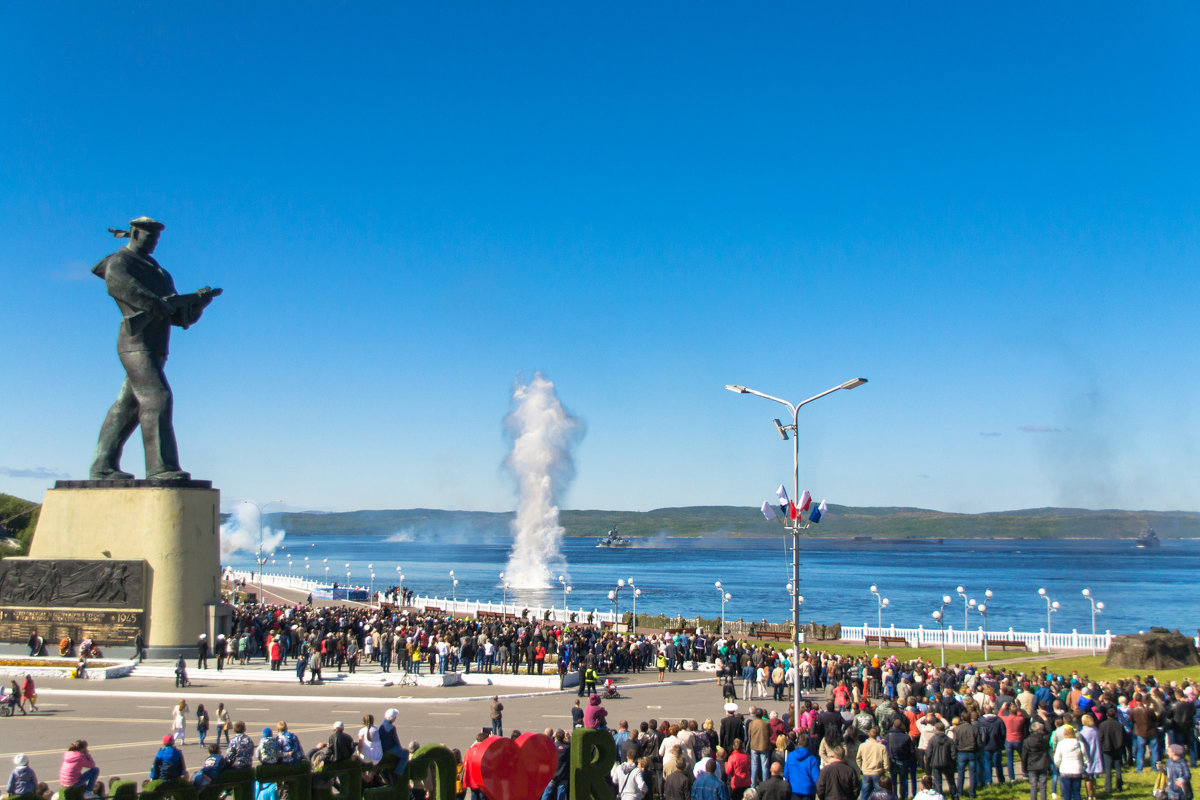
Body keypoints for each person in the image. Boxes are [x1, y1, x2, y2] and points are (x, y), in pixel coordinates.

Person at [89, 216, 220, 481]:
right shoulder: (120, 262)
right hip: (135, 344)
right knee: (157, 398)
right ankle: (161, 467)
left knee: (127, 408)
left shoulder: (160, 273)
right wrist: (157, 303)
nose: (154, 243)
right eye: (150, 237)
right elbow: (122, 287)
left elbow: (178, 318)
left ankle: (102, 467)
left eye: (157, 239)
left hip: (157, 347)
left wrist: (197, 304)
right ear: (135, 234)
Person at [1053, 725, 1088, 800]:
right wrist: (1083, 765)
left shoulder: (1061, 744)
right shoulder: (1079, 744)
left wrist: (1059, 766)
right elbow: (1085, 757)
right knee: (1076, 792)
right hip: (1077, 770)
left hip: (1065, 770)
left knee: (1066, 793)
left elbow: (1057, 759)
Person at [784, 732, 821, 800]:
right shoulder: (812, 759)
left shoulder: (790, 756)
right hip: (808, 791)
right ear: (809, 745)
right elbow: (816, 778)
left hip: (794, 790)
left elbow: (786, 773)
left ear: (798, 744)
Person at [1021, 720, 1052, 800]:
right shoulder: (1045, 739)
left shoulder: (1027, 741)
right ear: (1039, 730)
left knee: (1033, 786)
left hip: (1031, 765)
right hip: (1043, 764)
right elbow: (1050, 730)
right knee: (1043, 786)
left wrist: (1023, 768)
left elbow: (1024, 756)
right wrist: (1045, 719)